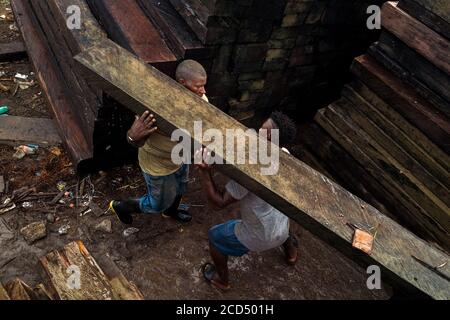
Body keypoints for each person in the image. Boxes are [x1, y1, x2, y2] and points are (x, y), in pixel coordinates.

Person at [196, 111, 299, 290]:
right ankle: (291, 255)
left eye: (263, 132)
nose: (256, 133)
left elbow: (218, 202)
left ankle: (223, 282)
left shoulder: (250, 174)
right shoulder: (284, 153)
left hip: (261, 234)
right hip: (282, 224)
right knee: (283, 227)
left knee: (214, 237)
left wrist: (204, 172)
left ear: (269, 139)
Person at [110, 60, 209, 225]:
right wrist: (132, 137)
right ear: (182, 83)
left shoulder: (201, 100)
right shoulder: (156, 106)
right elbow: (136, 140)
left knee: (180, 188)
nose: (203, 91)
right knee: (157, 203)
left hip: (180, 157)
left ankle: (171, 211)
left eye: (204, 85)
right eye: (198, 86)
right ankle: (120, 206)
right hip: (159, 165)